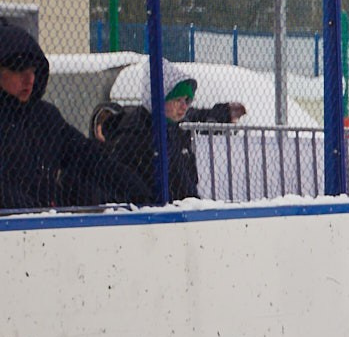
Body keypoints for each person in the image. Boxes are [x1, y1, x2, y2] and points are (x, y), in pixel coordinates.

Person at [0, 24, 148, 210]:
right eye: (20, 71)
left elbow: (90, 159)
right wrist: (29, 212)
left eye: (33, 71)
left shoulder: (45, 118)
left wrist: (141, 193)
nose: (29, 80)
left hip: (45, 224)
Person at [105, 73, 242, 203]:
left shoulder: (175, 127)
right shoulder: (134, 135)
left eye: (186, 100)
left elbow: (199, 115)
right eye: (177, 100)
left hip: (182, 209)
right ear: (160, 100)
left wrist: (224, 113)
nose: (184, 106)